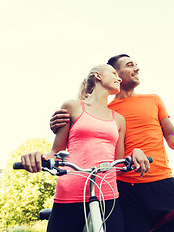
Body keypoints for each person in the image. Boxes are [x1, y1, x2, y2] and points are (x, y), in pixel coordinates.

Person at [49, 55, 174, 232]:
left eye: (136, 65)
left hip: (161, 183)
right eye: (130, 65)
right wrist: (58, 124)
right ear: (116, 74)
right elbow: (77, 140)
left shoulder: (154, 100)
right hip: (123, 190)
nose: (137, 68)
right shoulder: (104, 111)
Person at [20, 64, 150, 232]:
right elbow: (56, 152)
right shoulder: (72, 107)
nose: (119, 78)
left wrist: (136, 153)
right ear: (98, 76)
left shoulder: (118, 119)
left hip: (107, 194)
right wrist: (37, 157)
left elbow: (119, 165)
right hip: (70, 193)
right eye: (113, 73)